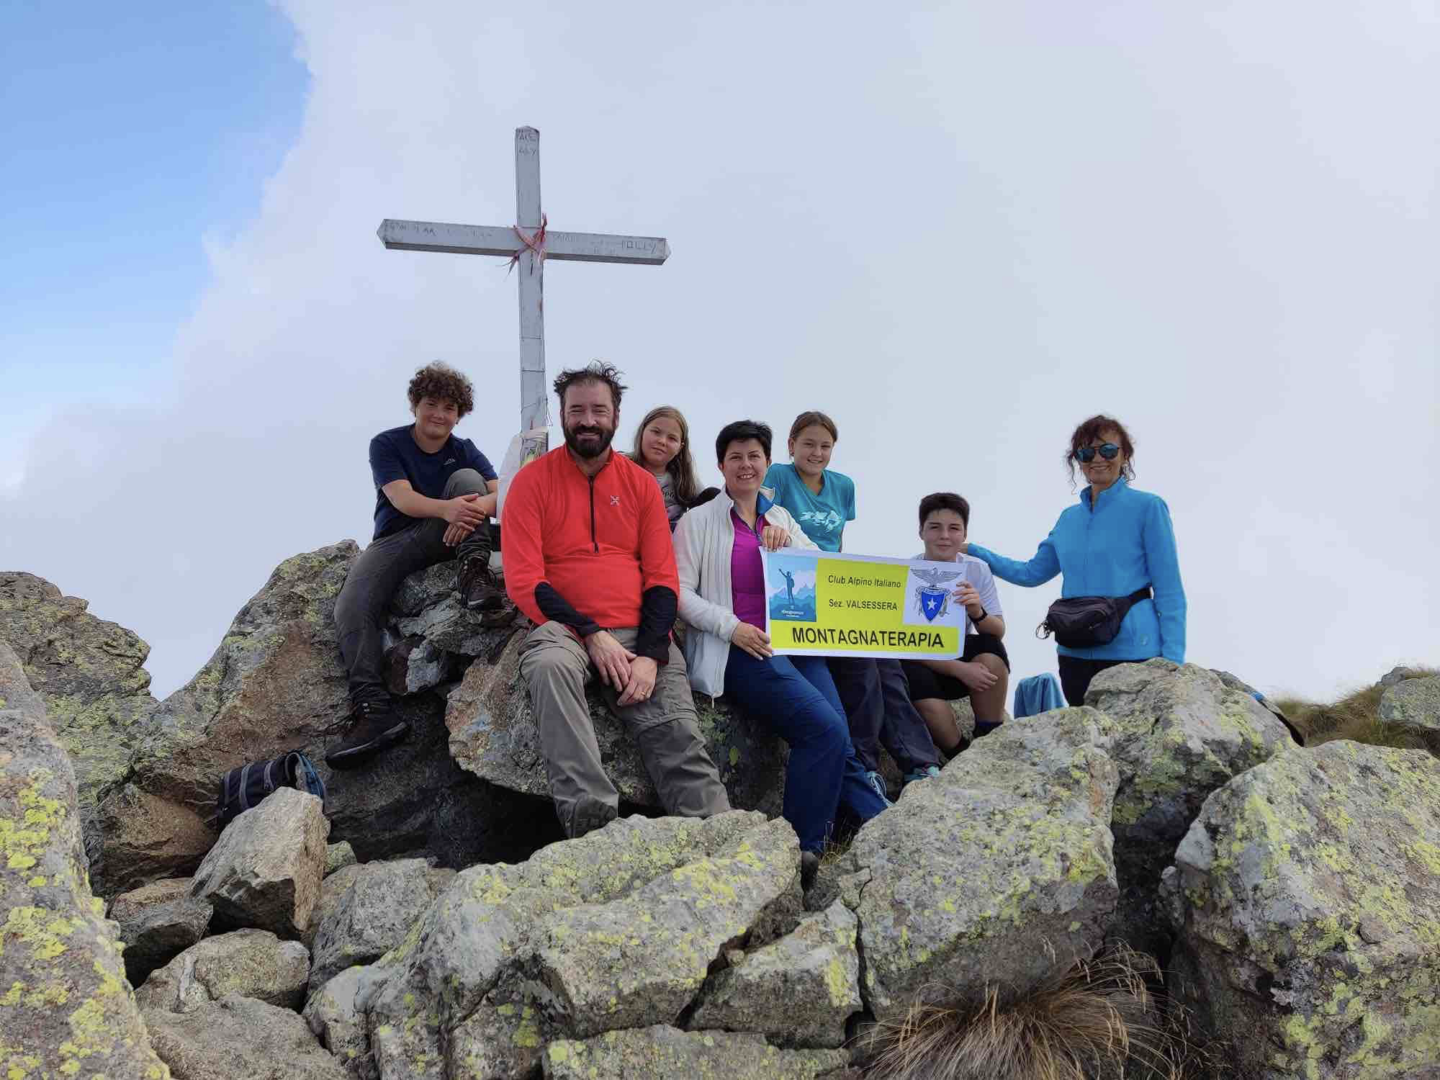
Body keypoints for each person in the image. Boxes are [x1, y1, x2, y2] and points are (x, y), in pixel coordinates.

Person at [503, 362, 731, 838]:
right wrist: (591, 633)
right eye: (577, 410)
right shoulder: (531, 482)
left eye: (598, 410)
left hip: (638, 630)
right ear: (563, 415)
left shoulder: (640, 484)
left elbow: (663, 579)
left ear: (616, 415)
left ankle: (721, 839)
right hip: (564, 629)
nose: (588, 420)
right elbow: (524, 580)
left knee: (679, 738)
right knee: (549, 668)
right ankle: (590, 816)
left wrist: (650, 655)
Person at [675, 419, 888, 882]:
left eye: (754, 456)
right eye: (736, 457)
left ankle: (885, 826)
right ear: (721, 465)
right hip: (743, 649)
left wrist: (786, 542)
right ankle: (801, 851)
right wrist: (733, 629)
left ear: (768, 463)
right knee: (824, 729)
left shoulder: (780, 517)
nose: (746, 465)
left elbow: (827, 571)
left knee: (841, 739)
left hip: (796, 645)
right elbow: (681, 595)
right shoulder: (698, 520)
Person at [329, 362, 502, 767]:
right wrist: (449, 511)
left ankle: (475, 575)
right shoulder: (386, 444)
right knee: (351, 607)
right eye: (431, 404)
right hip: (400, 538)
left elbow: (501, 494)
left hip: (459, 533)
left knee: (467, 478)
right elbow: (402, 498)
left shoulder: (465, 449)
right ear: (414, 404)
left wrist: (467, 512)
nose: (439, 415)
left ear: (459, 414)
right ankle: (374, 711)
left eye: (449, 408)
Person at [764, 411, 944, 791]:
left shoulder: (843, 486)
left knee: (888, 665)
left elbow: (838, 542)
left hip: (838, 588)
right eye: (808, 443)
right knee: (860, 666)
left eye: (825, 446)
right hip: (798, 590)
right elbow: (759, 517)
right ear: (791, 444)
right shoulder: (777, 476)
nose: (816, 452)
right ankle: (866, 766)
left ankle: (920, 762)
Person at [964, 415, 1186, 707]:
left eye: (1108, 450)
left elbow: (1169, 591)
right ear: (1077, 460)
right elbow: (1031, 573)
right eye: (1086, 452)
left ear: (1125, 455)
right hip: (1074, 655)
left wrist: (1172, 663)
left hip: (1135, 654)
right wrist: (973, 551)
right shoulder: (1069, 519)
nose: (1097, 459)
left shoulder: (1148, 508)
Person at [900, 493, 1010, 755]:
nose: (944, 536)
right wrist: (958, 669)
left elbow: (998, 630)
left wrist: (977, 611)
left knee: (989, 645)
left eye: (954, 528)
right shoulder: (906, 571)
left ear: (964, 534)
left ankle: (988, 736)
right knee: (908, 670)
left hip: (958, 649)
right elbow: (904, 644)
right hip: (924, 658)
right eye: (935, 527)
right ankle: (958, 753)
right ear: (921, 532)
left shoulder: (977, 568)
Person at [627, 405, 703, 531]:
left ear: (680, 447)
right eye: (656, 432)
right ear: (643, 431)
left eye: (672, 438)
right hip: (631, 534)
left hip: (671, 541)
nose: (662, 441)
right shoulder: (622, 467)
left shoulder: (684, 478)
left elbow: (712, 505)